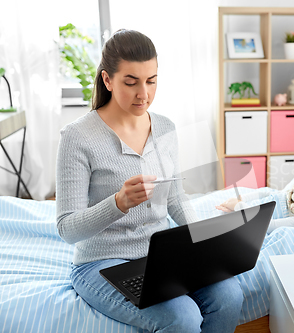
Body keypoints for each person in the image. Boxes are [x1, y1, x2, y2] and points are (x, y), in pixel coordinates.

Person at [56, 29, 243, 333]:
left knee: (230, 295)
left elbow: (176, 197)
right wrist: (118, 203)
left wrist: (201, 241)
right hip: (101, 263)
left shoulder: (165, 127)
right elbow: (67, 229)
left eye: (151, 81)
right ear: (107, 80)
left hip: (159, 257)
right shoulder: (78, 137)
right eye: (131, 82)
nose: (143, 93)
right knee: (182, 318)